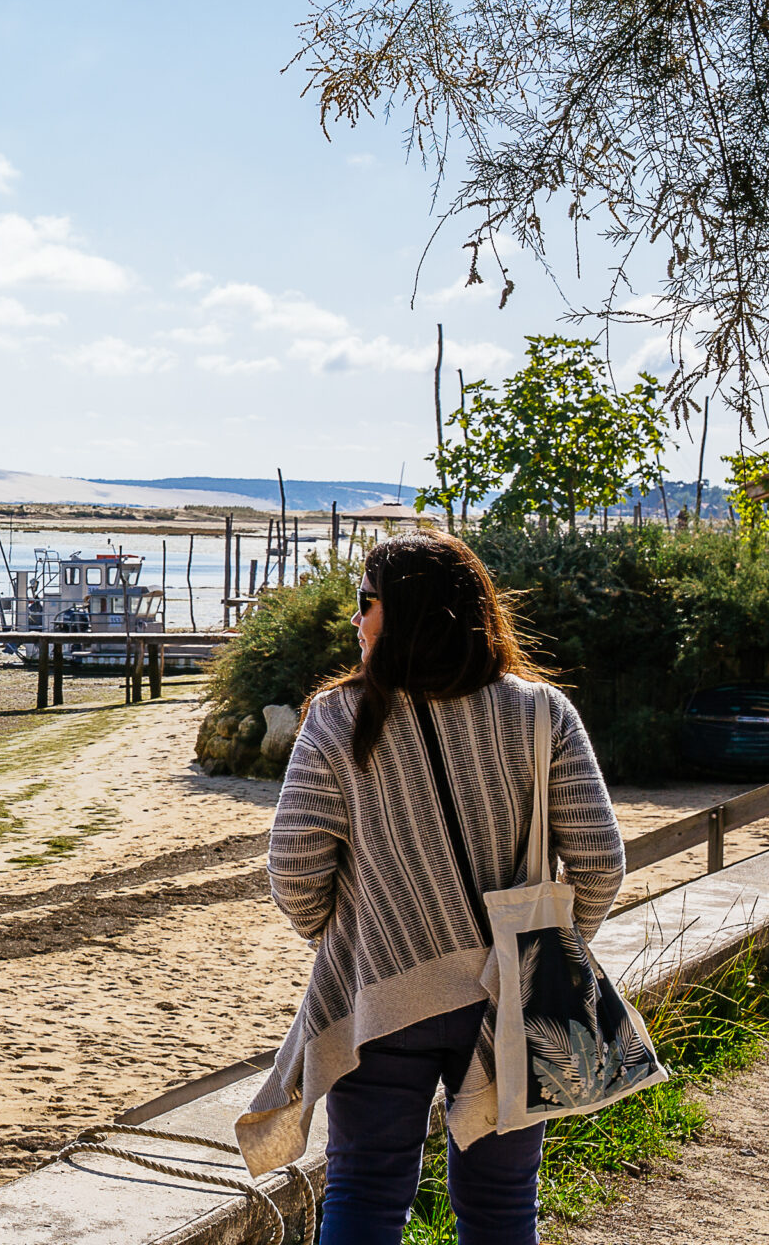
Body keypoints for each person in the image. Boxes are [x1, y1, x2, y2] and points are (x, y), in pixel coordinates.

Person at [234, 530, 624, 1244]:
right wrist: (538, 957)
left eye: (366, 601)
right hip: (510, 994)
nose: (356, 619)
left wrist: (346, 934)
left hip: (383, 989)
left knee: (366, 1190)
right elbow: (600, 861)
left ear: (409, 610)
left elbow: (293, 869)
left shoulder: (338, 716)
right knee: (504, 1205)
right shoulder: (542, 713)